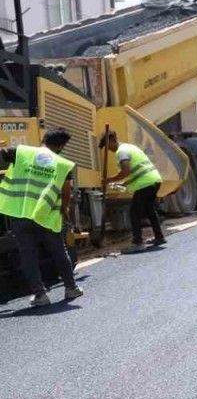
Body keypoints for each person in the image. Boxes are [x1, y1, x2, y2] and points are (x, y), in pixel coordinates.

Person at [0, 129, 84, 306]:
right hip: (45, 215)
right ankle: (71, 288)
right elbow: (66, 192)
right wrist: (64, 211)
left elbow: (2, 153)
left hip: (20, 213)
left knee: (28, 255)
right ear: (61, 146)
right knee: (59, 251)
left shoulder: (22, 152)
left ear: (43, 139)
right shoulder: (62, 164)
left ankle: (40, 295)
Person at [100, 131, 166, 252]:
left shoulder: (121, 152)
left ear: (112, 141)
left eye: (108, 146)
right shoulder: (130, 147)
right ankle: (159, 237)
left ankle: (137, 242)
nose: (109, 150)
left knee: (134, 212)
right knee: (150, 210)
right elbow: (136, 172)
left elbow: (126, 171)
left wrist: (108, 180)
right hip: (154, 180)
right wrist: (124, 184)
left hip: (145, 183)